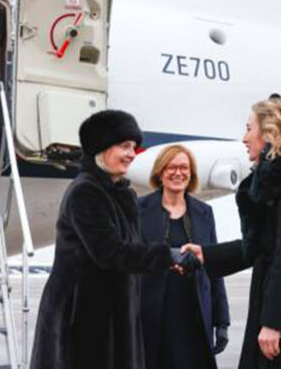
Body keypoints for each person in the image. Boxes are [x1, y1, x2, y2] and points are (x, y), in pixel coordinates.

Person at [30, 110, 201, 369]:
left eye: (134, 147)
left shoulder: (120, 194)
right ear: (101, 148)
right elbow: (109, 252)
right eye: (124, 146)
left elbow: (132, 249)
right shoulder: (85, 192)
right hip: (83, 318)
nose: (132, 154)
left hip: (112, 314)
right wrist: (167, 255)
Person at [183, 96, 281, 369]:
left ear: (269, 131)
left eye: (249, 129)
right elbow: (260, 246)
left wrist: (275, 322)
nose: (244, 138)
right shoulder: (275, 178)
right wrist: (206, 255)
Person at [138, 145, 231, 369]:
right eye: (171, 167)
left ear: (191, 174)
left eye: (184, 168)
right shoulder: (139, 210)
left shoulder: (204, 212)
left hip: (194, 315)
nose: (178, 173)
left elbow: (214, 268)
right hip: (152, 315)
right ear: (160, 172)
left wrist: (222, 321)